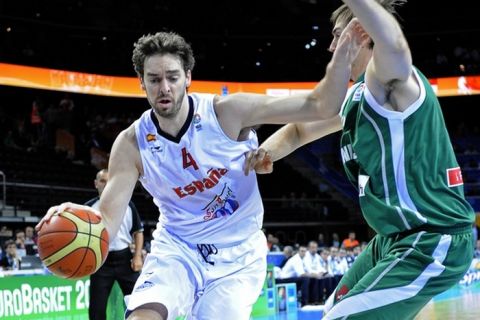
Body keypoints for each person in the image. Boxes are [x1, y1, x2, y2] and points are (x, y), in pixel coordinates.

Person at [36, 26, 366, 320]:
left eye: (172, 77)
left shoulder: (228, 112)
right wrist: (75, 216)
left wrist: (343, 56)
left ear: (188, 77)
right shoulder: (131, 143)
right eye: (154, 79)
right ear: (142, 83)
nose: (164, 87)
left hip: (238, 254)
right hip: (177, 249)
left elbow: (320, 106)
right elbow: (107, 220)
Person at [244, 0, 475, 319]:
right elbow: (298, 131)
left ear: (362, 33)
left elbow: (393, 41)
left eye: (337, 35)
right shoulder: (357, 96)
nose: (330, 46)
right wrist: (265, 154)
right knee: (332, 310)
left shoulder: (394, 83)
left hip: (432, 236)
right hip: (392, 238)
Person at [85, 169, 144, 320]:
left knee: (140, 302)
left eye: (108, 180)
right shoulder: (87, 209)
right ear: (96, 183)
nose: (105, 184)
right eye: (102, 180)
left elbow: (138, 232)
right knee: (96, 308)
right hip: (100, 262)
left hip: (125, 259)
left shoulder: (128, 205)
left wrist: (137, 256)